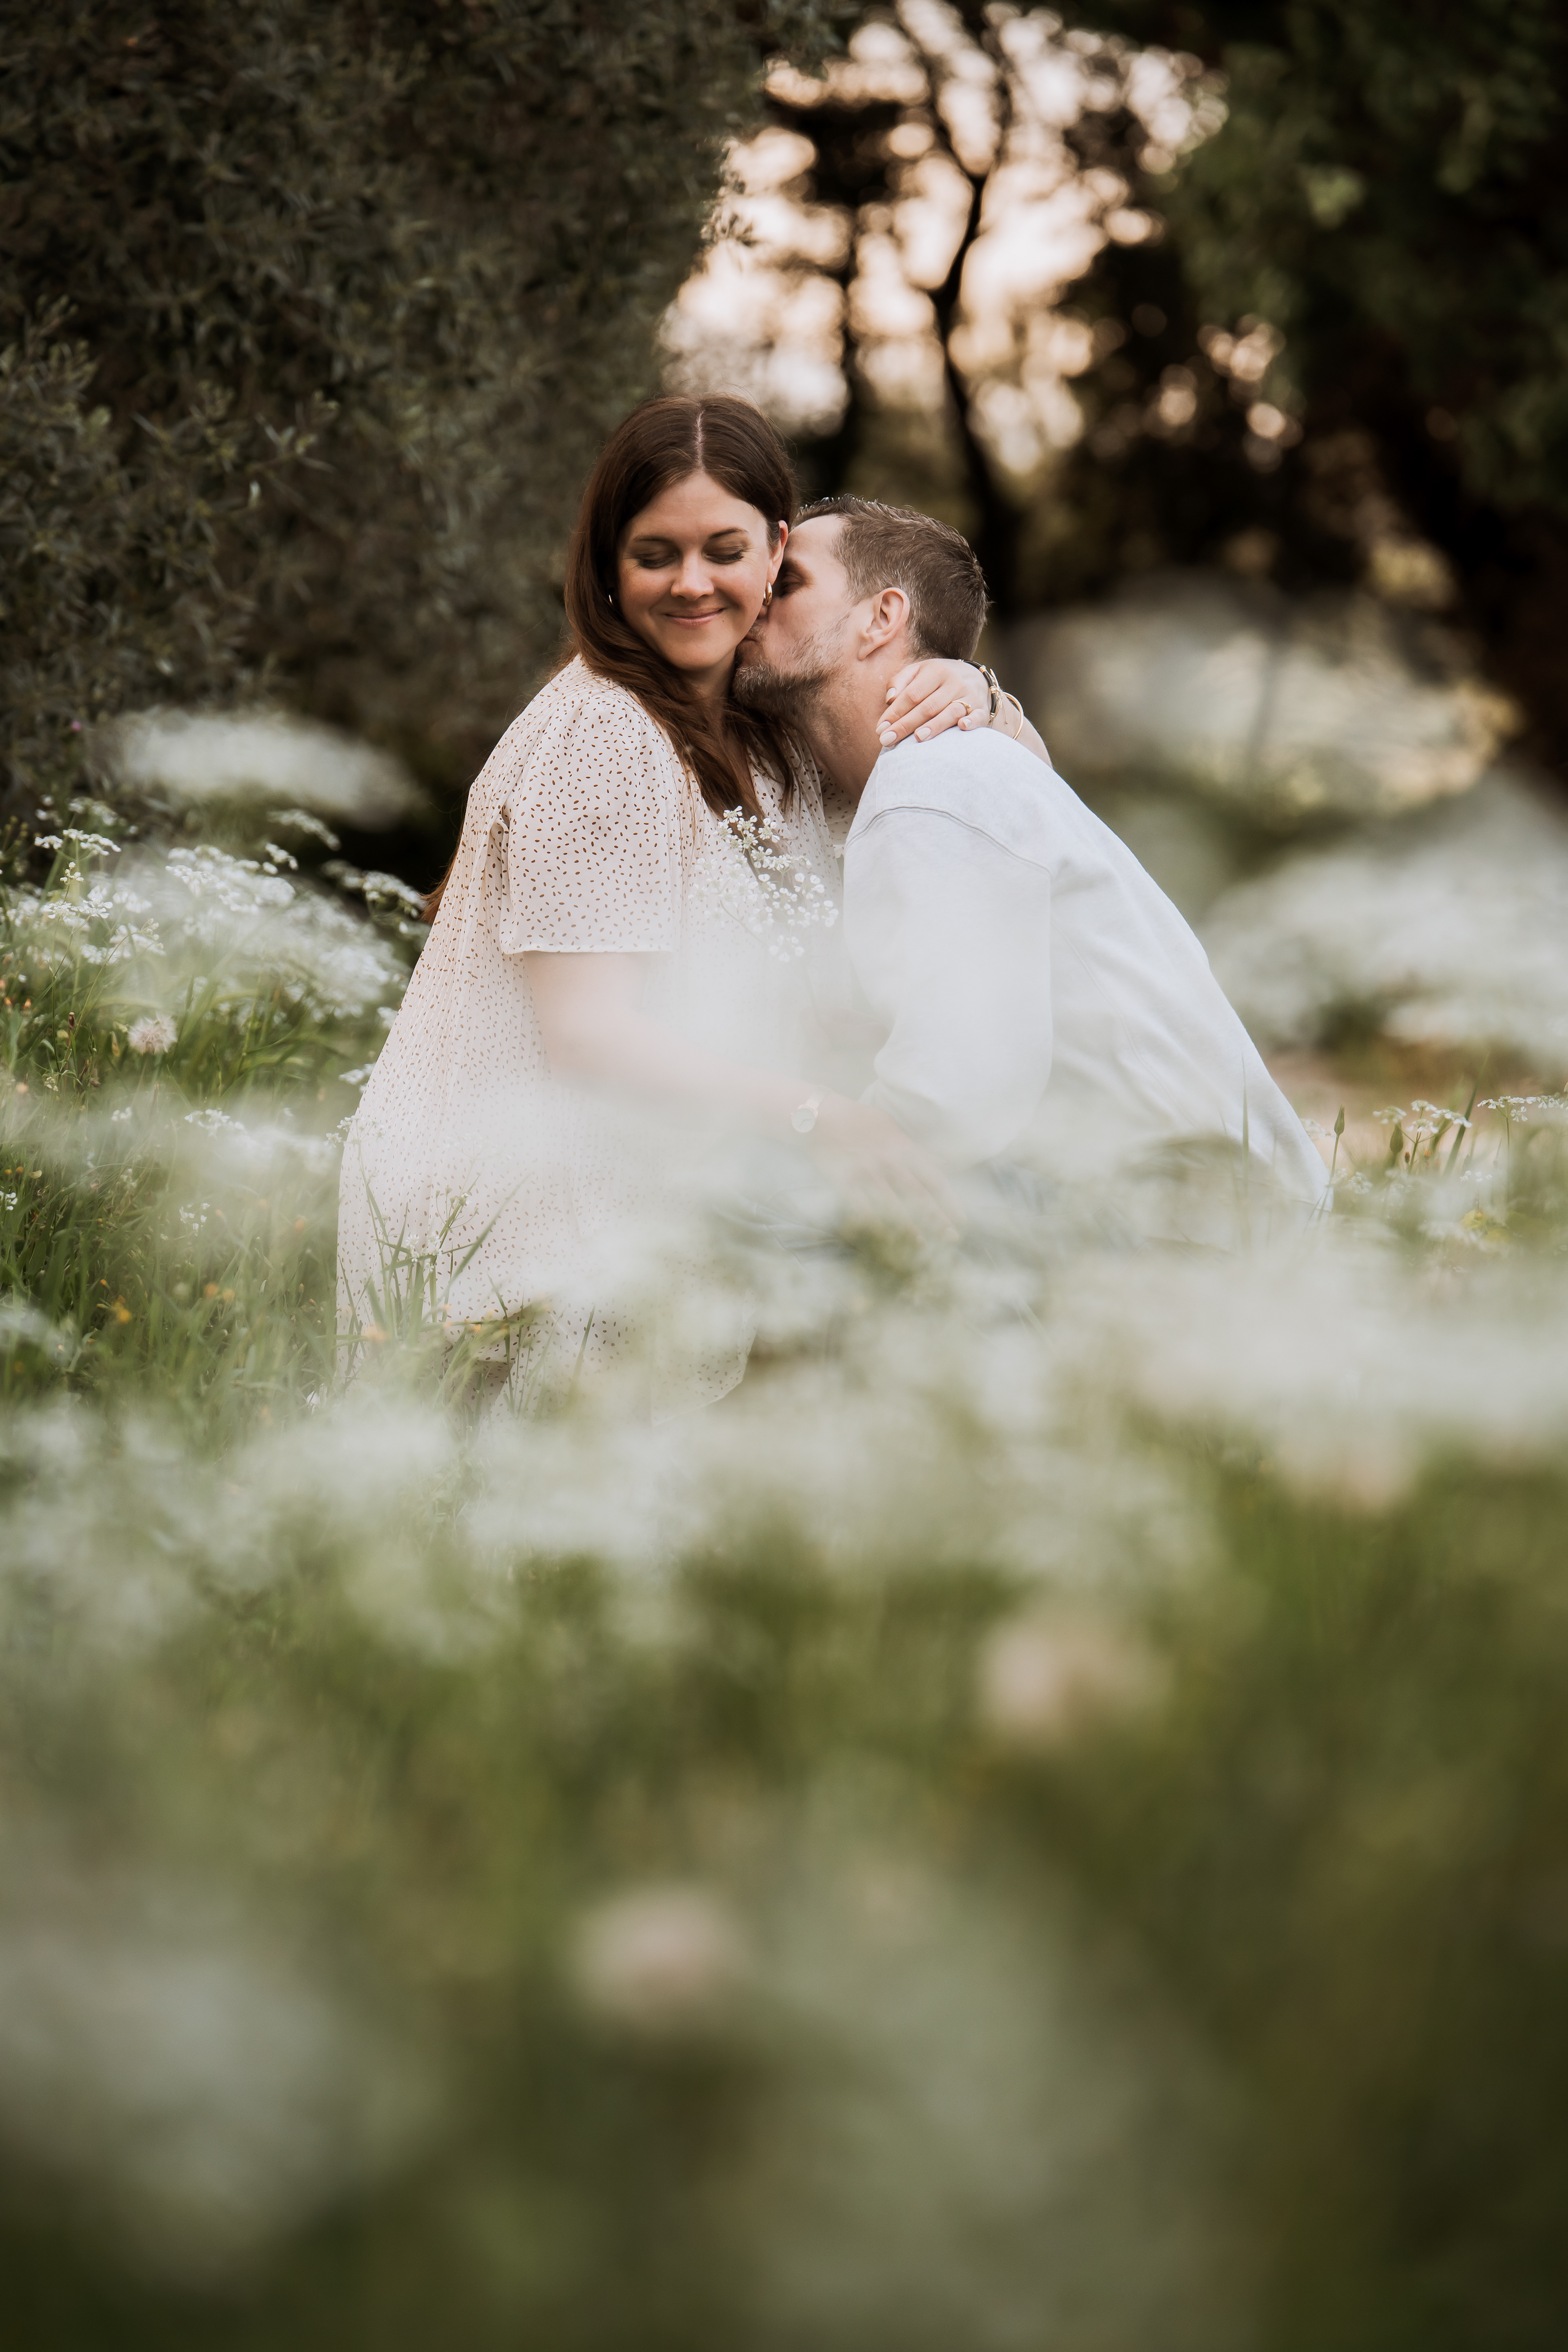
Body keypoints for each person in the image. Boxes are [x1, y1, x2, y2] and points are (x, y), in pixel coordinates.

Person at [336, 401, 1016, 1413]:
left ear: (776, 552)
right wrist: (822, 1119)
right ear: (607, 566)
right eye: (656, 553)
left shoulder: (763, 729)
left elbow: (1023, 804)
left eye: (725, 549)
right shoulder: (600, 736)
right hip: (506, 1233)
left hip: (653, 1216)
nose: (692, 583)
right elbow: (587, 1037)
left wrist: (980, 697)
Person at [733, 495, 1329, 1233]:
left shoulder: (930, 783)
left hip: (1201, 1220)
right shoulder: (914, 781)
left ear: (881, 619)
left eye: (786, 583)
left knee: (745, 1206)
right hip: (1151, 1197)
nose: (751, 600)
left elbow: (959, 1094)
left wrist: (815, 1141)